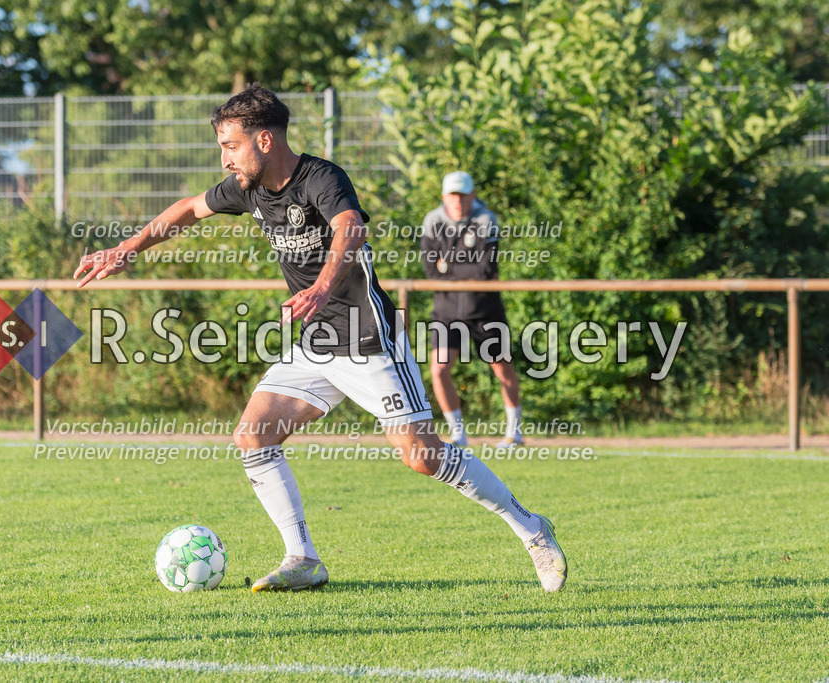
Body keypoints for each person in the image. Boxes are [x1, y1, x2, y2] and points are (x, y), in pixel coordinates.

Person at [75, 85, 566, 593]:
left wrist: (322, 287)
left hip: (369, 339)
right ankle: (303, 559)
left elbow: (350, 229)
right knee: (253, 435)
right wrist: (127, 248)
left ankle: (532, 529)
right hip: (316, 343)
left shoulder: (322, 177)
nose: (225, 159)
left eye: (231, 146)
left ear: (265, 140)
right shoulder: (247, 187)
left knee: (421, 455)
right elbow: (187, 208)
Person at [421, 172, 524, 449]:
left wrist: (448, 265)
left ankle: (514, 433)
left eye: (463, 195)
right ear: (444, 197)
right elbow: (431, 272)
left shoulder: (486, 220)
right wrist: (460, 268)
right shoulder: (432, 222)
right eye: (453, 195)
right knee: (439, 370)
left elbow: (486, 270)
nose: (458, 201)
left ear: (473, 195)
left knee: (502, 368)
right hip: (446, 310)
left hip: (484, 308)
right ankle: (458, 435)